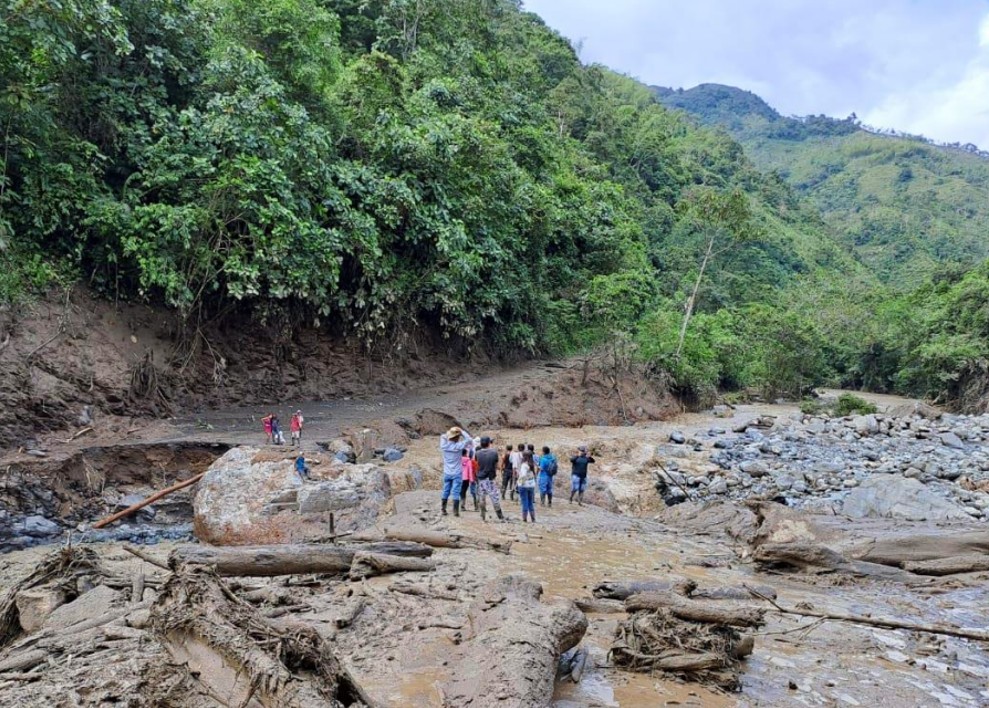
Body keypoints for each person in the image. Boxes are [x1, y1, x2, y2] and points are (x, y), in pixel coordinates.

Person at [440, 426, 473, 517]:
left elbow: (443, 436)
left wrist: (450, 432)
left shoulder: (444, 446)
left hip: (447, 472)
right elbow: (469, 439)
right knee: (456, 491)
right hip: (457, 472)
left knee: (446, 490)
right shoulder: (459, 446)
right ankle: (455, 512)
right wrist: (461, 431)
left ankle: (443, 509)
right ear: (458, 437)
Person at [475, 436, 505, 522]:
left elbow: (477, 465)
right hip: (490, 478)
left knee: (482, 497)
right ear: (489, 443)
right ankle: (500, 517)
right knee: (494, 498)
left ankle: (483, 516)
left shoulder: (477, 453)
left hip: (481, 478)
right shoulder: (494, 453)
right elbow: (497, 465)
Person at [516, 450, 537, 522]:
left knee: (524, 502)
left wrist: (519, 483)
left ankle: (524, 519)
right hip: (531, 485)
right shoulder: (532, 464)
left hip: (524, 486)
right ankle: (533, 518)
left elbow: (523, 476)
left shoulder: (524, 465)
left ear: (524, 457)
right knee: (530, 502)